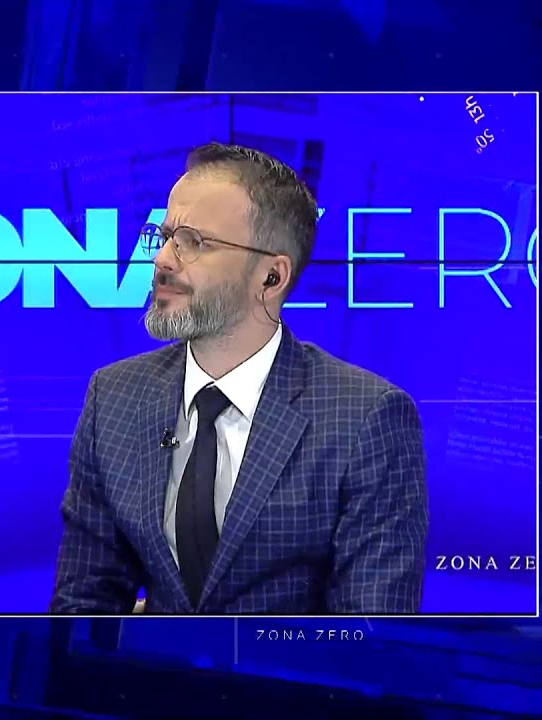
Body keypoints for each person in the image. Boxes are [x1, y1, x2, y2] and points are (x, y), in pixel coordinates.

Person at [50, 142, 428, 615]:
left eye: (193, 242)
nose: (162, 260)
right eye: (164, 237)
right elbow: (82, 604)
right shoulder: (115, 396)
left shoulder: (366, 418)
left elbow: (369, 633)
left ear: (271, 278)